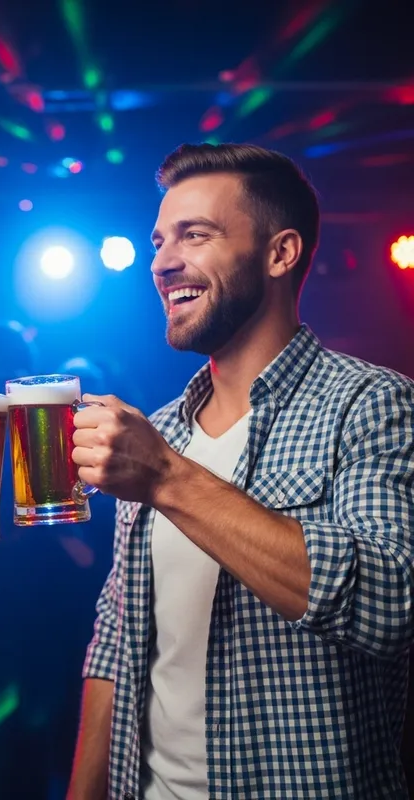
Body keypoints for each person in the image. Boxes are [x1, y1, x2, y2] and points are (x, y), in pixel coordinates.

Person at [67, 143, 414, 799]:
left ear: (281, 253)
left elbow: (390, 605)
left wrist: (170, 479)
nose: (163, 262)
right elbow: (118, 641)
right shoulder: (160, 430)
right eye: (159, 241)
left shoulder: (371, 405)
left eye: (195, 235)